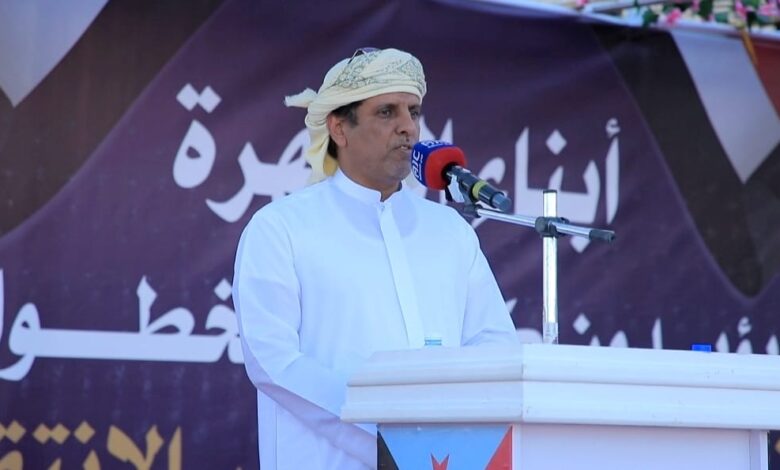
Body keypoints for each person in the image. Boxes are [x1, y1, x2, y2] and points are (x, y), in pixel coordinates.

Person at [232, 47, 519, 470]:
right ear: (339, 128)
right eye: (387, 112)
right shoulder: (281, 228)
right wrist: (382, 436)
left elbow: (495, 346)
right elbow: (274, 362)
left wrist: (449, 440)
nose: (408, 127)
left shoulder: (450, 231)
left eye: (413, 111)